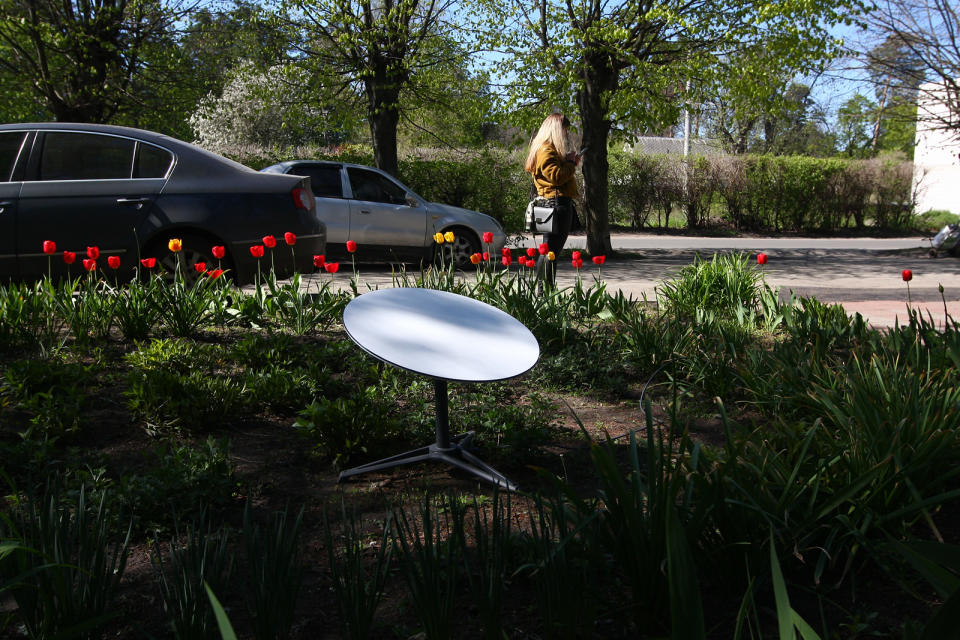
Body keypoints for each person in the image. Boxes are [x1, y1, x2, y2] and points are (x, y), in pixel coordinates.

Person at [524, 113, 583, 285]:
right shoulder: (546, 149)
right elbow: (556, 177)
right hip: (555, 205)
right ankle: (543, 293)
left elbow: (553, 172)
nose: (565, 134)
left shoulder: (543, 148)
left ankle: (543, 292)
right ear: (556, 130)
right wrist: (571, 163)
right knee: (550, 252)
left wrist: (567, 161)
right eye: (564, 130)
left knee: (548, 251)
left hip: (551, 204)